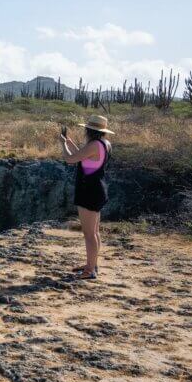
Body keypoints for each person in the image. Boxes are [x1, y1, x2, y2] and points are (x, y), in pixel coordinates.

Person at [60, 115, 114, 279]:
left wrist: (62, 144)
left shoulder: (93, 145)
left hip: (89, 191)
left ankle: (90, 270)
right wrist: (71, 144)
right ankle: (92, 264)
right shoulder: (105, 143)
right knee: (94, 232)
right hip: (97, 190)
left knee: (89, 234)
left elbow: (70, 159)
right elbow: (83, 158)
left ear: (88, 130)